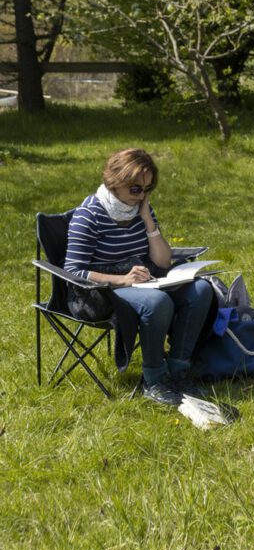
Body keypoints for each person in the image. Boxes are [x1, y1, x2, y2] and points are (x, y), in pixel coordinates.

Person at [64, 148, 213, 406]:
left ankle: (177, 371)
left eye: (147, 189)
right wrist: (123, 280)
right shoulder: (88, 215)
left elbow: (163, 261)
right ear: (115, 182)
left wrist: (148, 221)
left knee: (201, 290)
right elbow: (73, 272)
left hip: (143, 281)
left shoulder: (140, 210)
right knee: (156, 302)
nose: (142, 196)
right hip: (101, 293)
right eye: (136, 189)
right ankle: (154, 379)